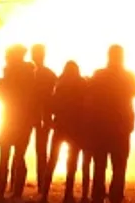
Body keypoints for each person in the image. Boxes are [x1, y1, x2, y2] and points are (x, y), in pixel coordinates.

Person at [85, 45, 135, 203]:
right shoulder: (128, 76)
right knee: (119, 166)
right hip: (122, 127)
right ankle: (116, 196)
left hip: (101, 127)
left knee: (99, 165)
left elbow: (90, 92)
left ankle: (97, 196)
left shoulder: (99, 75)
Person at [0, 45, 35, 199]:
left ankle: (1, 191)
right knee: (19, 156)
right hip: (23, 120)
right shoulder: (29, 73)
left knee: (5, 156)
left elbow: (4, 96)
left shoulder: (10, 73)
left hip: (10, 118)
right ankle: (16, 192)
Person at [49, 61, 90, 203]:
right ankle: (68, 194)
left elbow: (52, 104)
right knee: (72, 162)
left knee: (52, 159)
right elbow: (85, 104)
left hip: (60, 125)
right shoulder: (82, 83)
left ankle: (44, 194)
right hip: (76, 127)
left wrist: (52, 120)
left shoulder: (60, 84)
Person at [28, 44, 58, 197]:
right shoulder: (49, 74)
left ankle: (17, 186)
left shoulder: (28, 73)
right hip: (41, 117)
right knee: (41, 151)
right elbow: (54, 97)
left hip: (29, 116)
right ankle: (41, 185)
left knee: (21, 151)